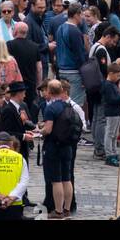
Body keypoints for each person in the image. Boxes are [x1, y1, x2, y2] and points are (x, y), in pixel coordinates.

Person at [40, 76, 83, 218]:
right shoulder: (68, 106)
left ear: (50, 92)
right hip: (68, 146)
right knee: (67, 178)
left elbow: (48, 129)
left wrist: (40, 131)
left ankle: (58, 211)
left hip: (54, 147)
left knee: (56, 180)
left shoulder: (51, 108)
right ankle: (67, 209)